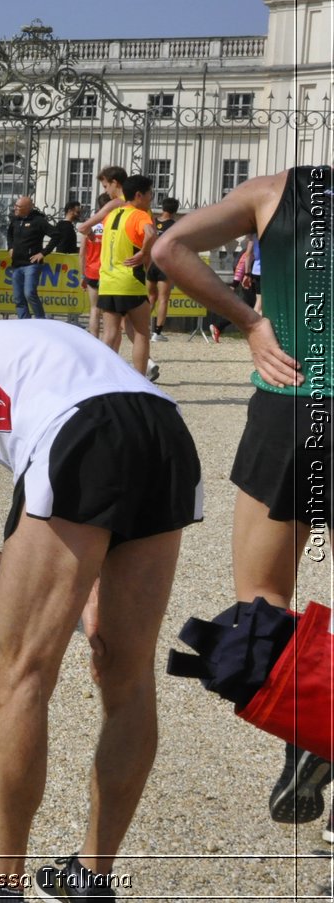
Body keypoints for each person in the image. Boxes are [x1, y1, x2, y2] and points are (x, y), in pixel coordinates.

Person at [0, 319, 201, 903]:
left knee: (22, 674)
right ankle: (91, 879)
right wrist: (90, 585)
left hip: (81, 427)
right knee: (127, 672)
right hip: (163, 427)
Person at [151, 165, 334, 836]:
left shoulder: (278, 189)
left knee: (261, 601)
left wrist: (251, 322)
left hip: (286, 407)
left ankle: (312, 731)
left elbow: (166, 248)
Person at [96, 175, 159, 382]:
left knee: (110, 335)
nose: (151, 197)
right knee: (141, 333)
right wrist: (143, 253)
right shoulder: (140, 215)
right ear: (138, 195)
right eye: (149, 193)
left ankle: (103, 378)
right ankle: (140, 382)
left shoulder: (112, 214)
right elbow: (151, 233)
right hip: (129, 280)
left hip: (107, 281)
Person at [7, 195, 50, 320]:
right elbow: (9, 234)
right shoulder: (15, 220)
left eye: (18, 206)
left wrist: (43, 253)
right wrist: (10, 247)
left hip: (32, 264)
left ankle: (41, 319)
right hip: (17, 264)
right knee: (18, 297)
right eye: (15, 205)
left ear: (27, 208)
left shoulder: (38, 221)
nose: (15, 208)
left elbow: (56, 235)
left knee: (29, 293)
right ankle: (24, 322)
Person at [146, 197, 180, 341]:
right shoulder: (174, 226)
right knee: (163, 299)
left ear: (162, 207)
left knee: (150, 297)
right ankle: (157, 333)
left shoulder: (153, 222)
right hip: (165, 264)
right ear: (175, 210)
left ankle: (141, 327)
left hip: (151, 262)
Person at [82, 193, 112, 341]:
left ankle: (94, 339)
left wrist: (83, 274)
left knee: (94, 308)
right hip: (108, 271)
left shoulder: (90, 225)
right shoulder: (112, 224)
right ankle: (107, 341)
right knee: (108, 311)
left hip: (91, 270)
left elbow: (82, 253)